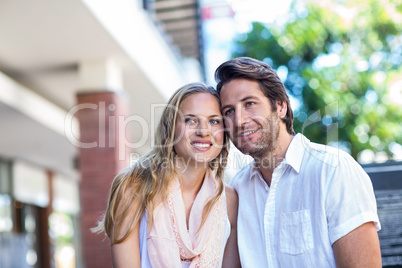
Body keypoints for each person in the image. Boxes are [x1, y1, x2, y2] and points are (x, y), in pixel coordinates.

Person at [215, 57, 382, 267]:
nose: (239, 120)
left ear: (281, 106)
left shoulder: (333, 170)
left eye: (249, 104)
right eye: (228, 111)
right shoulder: (238, 189)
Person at [93, 83, 241, 267]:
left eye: (214, 121)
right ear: (171, 127)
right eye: (190, 120)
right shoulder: (133, 188)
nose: (203, 131)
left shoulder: (230, 200)